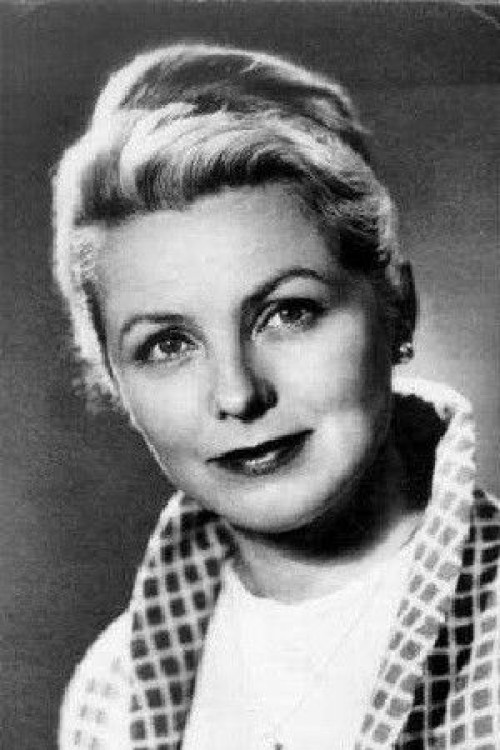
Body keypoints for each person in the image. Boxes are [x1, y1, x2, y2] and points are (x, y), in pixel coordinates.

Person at [53, 43, 500, 750]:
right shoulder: (106, 698)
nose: (238, 394)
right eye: (167, 345)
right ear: (114, 380)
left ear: (397, 306)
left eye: (287, 312)